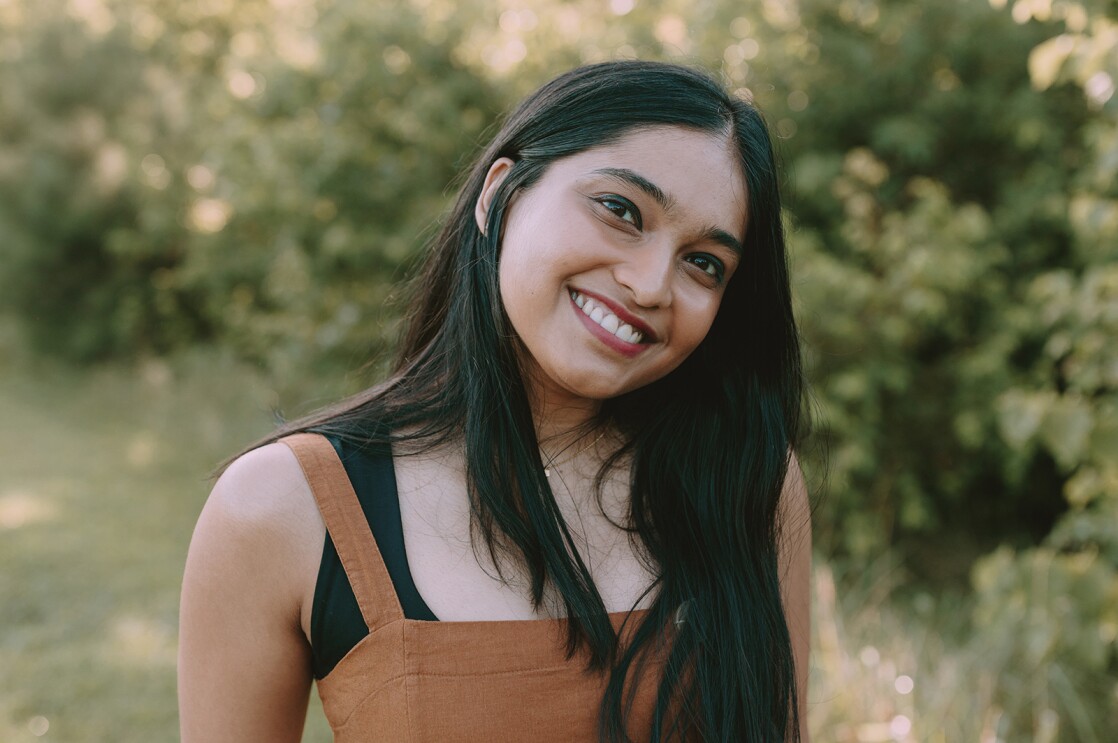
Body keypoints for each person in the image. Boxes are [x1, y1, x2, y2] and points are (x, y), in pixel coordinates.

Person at [178, 60, 811, 742]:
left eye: (704, 262)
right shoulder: (284, 507)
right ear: (500, 195)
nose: (653, 284)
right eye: (622, 210)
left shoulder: (750, 482)